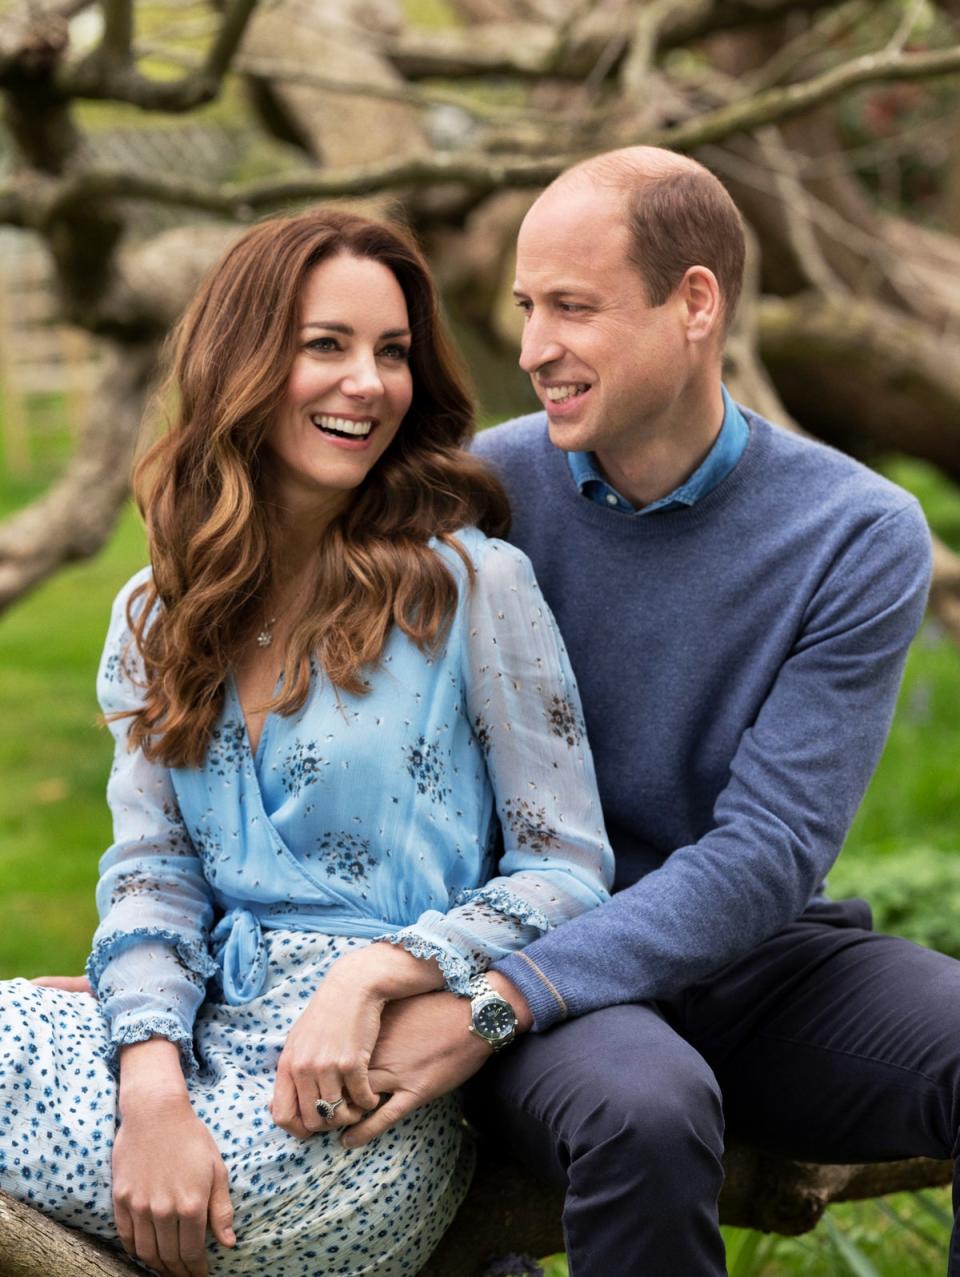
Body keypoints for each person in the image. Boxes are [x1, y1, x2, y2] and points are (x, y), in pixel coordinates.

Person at [305, 148, 960, 1276]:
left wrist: (498, 1005)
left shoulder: (856, 532)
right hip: (531, 940)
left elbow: (769, 853)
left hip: (746, 958)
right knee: (644, 1112)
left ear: (694, 302)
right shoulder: (479, 499)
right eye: (525, 307)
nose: (533, 348)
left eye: (573, 306)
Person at [1, 207, 614, 1277]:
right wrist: (147, 1086)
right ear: (241, 361)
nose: (367, 384)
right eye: (324, 345)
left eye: (391, 352)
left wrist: (379, 971)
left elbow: (566, 868)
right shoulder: (158, 611)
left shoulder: (473, 588)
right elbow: (152, 876)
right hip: (196, 1032)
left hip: (367, 1089)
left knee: (238, 1204)